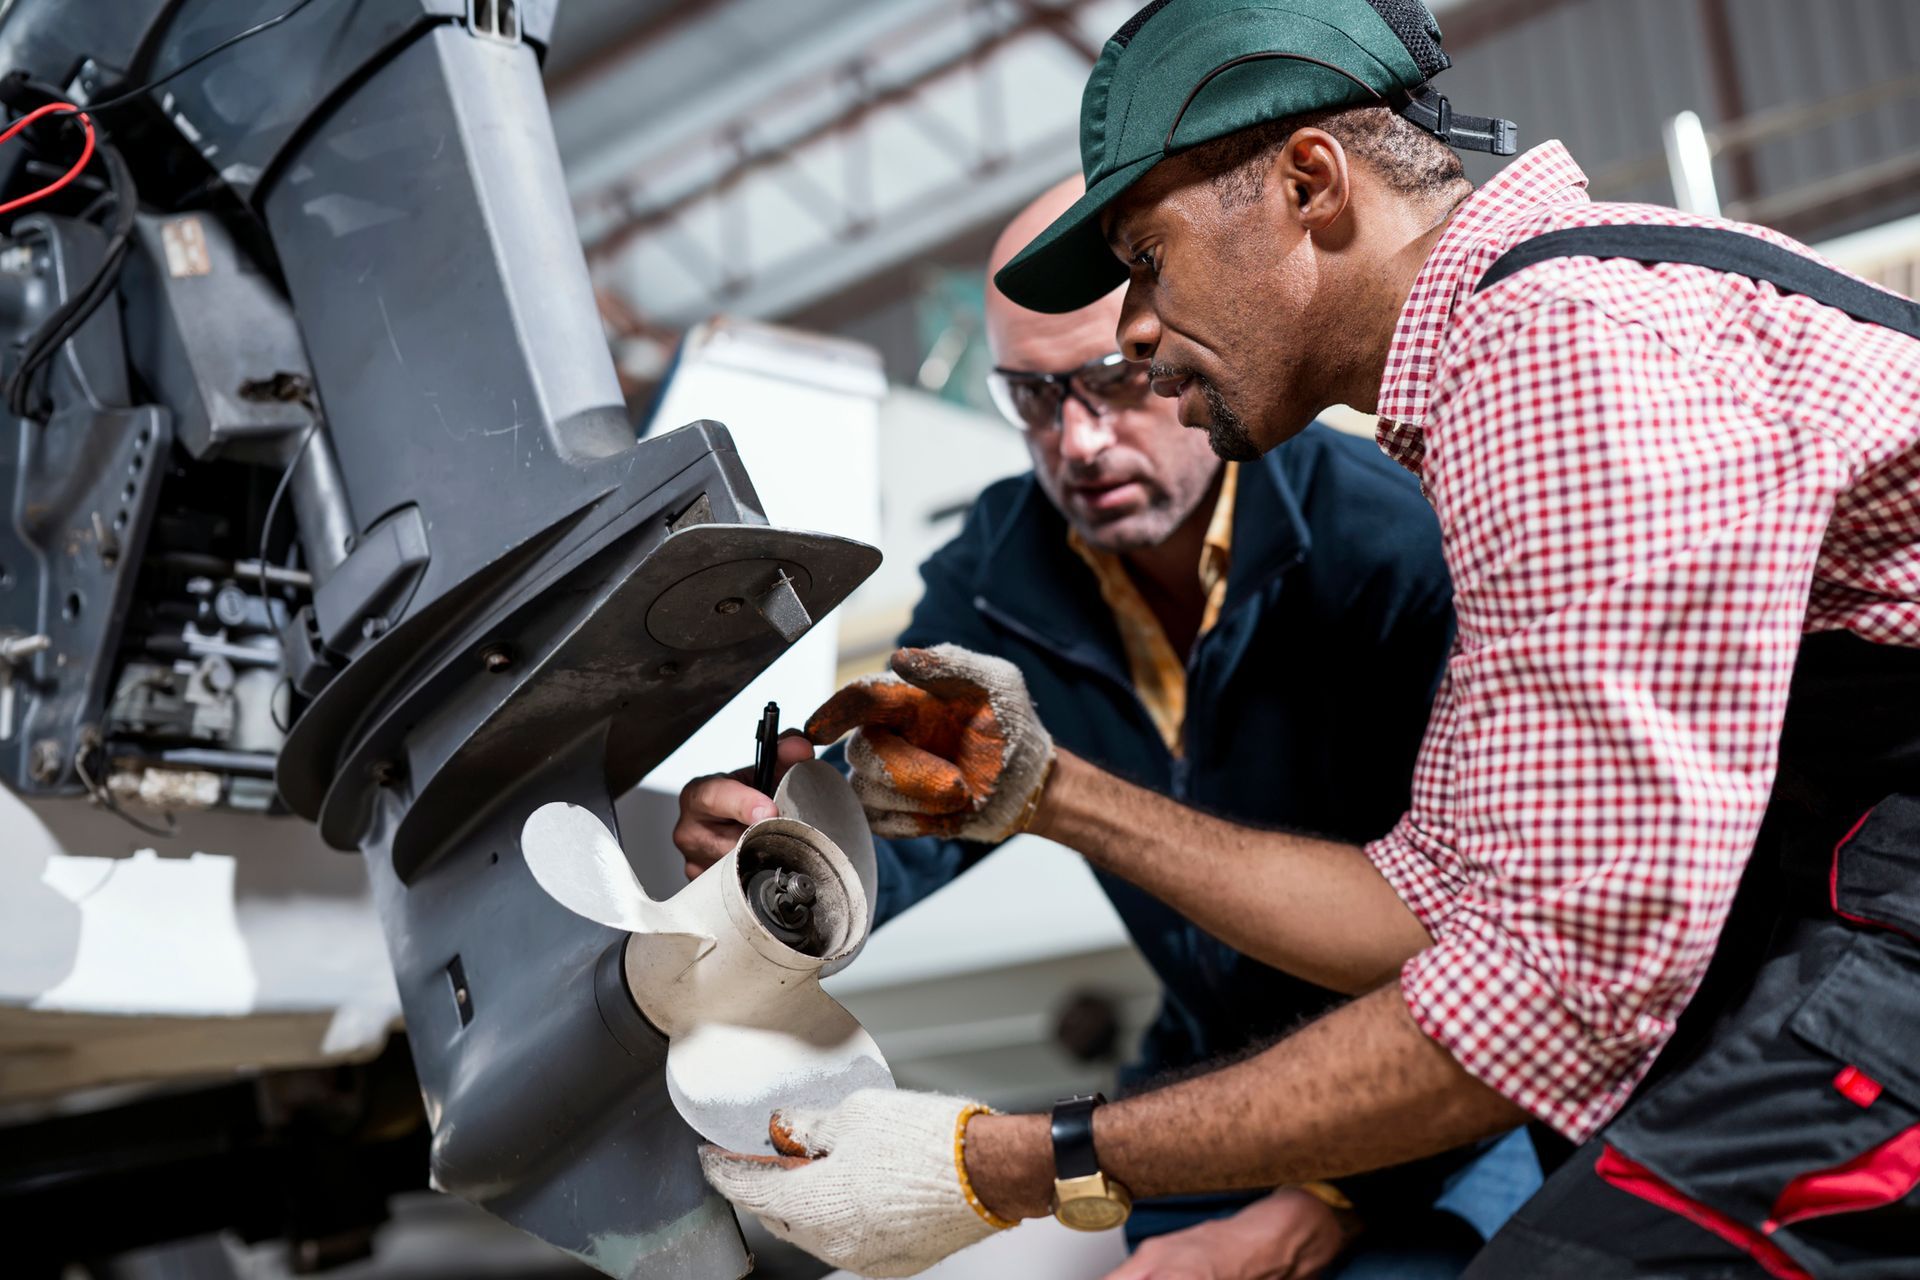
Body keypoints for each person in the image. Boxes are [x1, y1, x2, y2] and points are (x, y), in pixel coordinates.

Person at [695, 2, 1920, 1278]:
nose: (1130, 333)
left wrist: (1006, 1159)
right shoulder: (1507, 356)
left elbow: (1552, 993)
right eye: (1039, 394)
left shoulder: (1555, 355)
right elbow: (1431, 896)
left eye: (1149, 258)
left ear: (1309, 183)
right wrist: (1036, 790)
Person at [676, 174, 1539, 1277]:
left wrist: (1320, 1203)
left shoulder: (1393, 554)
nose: (1075, 441)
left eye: (1116, 382)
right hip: (1214, 1070)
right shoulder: (998, 577)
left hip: (1452, 1096)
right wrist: (781, 868)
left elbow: (1506, 962)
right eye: (1031, 398)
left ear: (1183, 340)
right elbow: (913, 808)